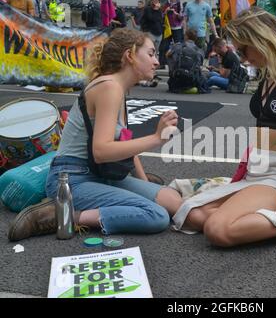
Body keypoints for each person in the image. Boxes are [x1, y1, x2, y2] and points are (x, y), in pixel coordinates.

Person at [171, 8, 276, 248]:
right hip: (257, 171)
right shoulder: (270, 69)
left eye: (244, 49)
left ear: (261, 39)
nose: (242, 57)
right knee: (192, 214)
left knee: (217, 229)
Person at [7, 28, 183, 241]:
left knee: (171, 198)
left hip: (99, 174)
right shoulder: (109, 87)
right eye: (151, 53)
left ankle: (79, 207)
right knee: (157, 215)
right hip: (73, 179)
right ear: (129, 56)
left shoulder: (119, 90)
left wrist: (145, 183)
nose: (157, 61)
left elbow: (125, 145)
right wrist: (156, 138)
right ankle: (63, 214)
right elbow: (101, 151)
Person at [166, 29, 207, 93]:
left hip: (177, 79)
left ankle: (173, 75)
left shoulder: (177, 46)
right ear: (195, 38)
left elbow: (167, 55)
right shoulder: (200, 51)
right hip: (192, 81)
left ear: (186, 36)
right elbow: (199, 65)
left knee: (170, 56)